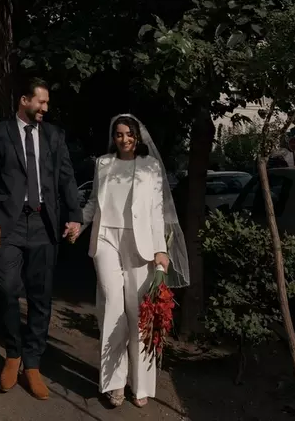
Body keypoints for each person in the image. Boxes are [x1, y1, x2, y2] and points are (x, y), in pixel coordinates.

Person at [72, 114, 189, 408]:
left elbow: (157, 211)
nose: (124, 139)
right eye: (119, 134)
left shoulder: (150, 167)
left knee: (139, 314)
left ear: (137, 136)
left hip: (141, 244)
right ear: (113, 137)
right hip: (106, 240)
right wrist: (78, 224)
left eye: (129, 134)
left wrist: (160, 249)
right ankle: (114, 384)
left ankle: (140, 384)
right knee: (112, 307)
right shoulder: (103, 163)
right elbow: (93, 203)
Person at [0, 77, 82, 400]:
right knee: (7, 288)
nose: (45, 108)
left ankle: (32, 363)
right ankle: (13, 354)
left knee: (41, 296)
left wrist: (75, 215)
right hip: (8, 225)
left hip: (43, 224)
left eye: (47, 103)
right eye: (41, 102)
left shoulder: (54, 136)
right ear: (24, 100)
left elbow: (66, 177)